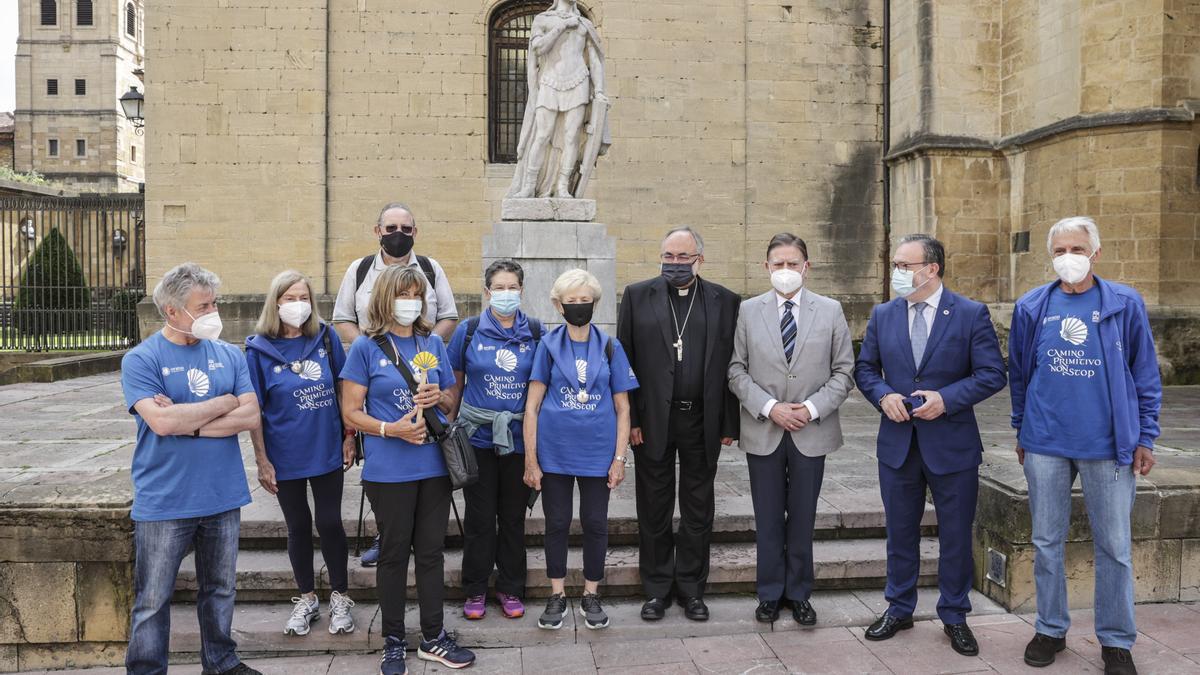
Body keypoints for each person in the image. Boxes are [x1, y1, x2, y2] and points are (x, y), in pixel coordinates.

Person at [1009, 217, 1160, 675]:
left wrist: (1146, 436)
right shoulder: (1032, 305)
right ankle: (1050, 628)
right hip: (1045, 442)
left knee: (1114, 545)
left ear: (1095, 253)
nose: (1067, 258)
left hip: (1108, 445)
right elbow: (1019, 373)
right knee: (1046, 539)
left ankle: (1116, 640)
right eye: (1059, 250)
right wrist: (1021, 429)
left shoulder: (1123, 303)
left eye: (1076, 249)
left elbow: (1144, 374)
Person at [854, 234, 1006, 657]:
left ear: (931, 269)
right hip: (898, 444)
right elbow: (865, 369)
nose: (896, 273)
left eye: (904, 265)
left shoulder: (971, 313)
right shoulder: (883, 314)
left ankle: (954, 615)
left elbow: (993, 373)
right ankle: (898, 608)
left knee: (956, 535)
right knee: (899, 533)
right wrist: (883, 395)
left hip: (952, 444)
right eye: (896, 265)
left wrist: (947, 399)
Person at [120, 263, 263, 675]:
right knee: (153, 599)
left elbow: (251, 415)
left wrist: (190, 422)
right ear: (172, 311)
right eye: (204, 306)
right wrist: (223, 403)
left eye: (214, 302)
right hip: (165, 499)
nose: (213, 312)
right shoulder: (141, 359)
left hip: (222, 494)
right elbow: (161, 423)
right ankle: (147, 670)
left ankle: (221, 662)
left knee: (220, 590)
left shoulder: (229, 354)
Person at [339, 265, 475, 673]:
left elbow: (451, 400)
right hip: (389, 470)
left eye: (417, 294)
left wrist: (440, 396)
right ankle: (394, 639)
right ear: (386, 298)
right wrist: (389, 428)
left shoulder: (432, 341)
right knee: (395, 555)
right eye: (404, 294)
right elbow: (350, 410)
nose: (410, 302)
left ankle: (433, 637)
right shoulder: (366, 347)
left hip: (433, 467)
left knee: (431, 553)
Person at [728, 233, 855, 627]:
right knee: (767, 518)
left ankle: (799, 593)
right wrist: (771, 408)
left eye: (792, 263)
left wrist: (811, 408)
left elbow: (844, 370)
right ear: (766, 267)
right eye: (777, 264)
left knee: (802, 517)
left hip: (811, 430)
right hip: (764, 429)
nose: (785, 271)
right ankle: (769, 594)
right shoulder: (749, 311)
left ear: (806, 266)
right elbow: (736, 369)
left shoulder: (830, 310)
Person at [617, 227, 740, 622]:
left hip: (701, 419)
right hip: (651, 421)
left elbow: (734, 365)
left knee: (697, 508)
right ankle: (655, 590)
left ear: (699, 259)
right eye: (668, 256)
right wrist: (632, 419)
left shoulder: (725, 301)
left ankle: (691, 589)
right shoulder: (637, 296)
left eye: (682, 257)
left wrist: (729, 422)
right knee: (653, 507)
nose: (673, 264)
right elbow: (625, 363)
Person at [331, 201, 458, 566]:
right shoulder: (360, 270)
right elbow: (343, 317)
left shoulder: (431, 269)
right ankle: (385, 533)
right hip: (377, 376)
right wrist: (374, 352)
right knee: (386, 467)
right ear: (378, 232)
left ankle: (421, 536)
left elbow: (448, 315)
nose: (398, 234)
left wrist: (421, 342)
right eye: (391, 228)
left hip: (422, 369)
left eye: (406, 228)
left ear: (415, 232)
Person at [244, 270, 358, 637]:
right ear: (276, 302)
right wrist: (262, 460)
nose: (298, 305)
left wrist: (349, 435)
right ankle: (307, 598)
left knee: (329, 522)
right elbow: (254, 410)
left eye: (303, 297)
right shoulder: (257, 349)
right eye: (290, 298)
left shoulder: (325, 339)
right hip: (284, 454)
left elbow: (344, 388)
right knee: (297, 526)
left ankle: (340, 596)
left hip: (326, 447)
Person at [524, 269, 638, 630]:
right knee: (556, 523)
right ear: (558, 305)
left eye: (584, 300)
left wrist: (620, 459)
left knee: (595, 524)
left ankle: (591, 592)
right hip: (554, 452)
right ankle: (556, 593)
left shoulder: (610, 346)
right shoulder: (547, 345)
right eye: (571, 301)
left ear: (595, 302)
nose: (578, 306)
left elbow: (623, 408)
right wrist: (531, 459)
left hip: (597, 453)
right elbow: (532, 406)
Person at [447, 260, 542, 621]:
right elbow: (454, 385)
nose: (505, 294)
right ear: (487, 292)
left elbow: (541, 388)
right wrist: (448, 433)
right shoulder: (469, 331)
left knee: (514, 518)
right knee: (480, 518)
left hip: (519, 441)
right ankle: (474, 589)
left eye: (512, 287)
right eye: (498, 288)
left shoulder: (535, 332)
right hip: (478, 440)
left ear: (521, 290)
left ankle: (511, 587)